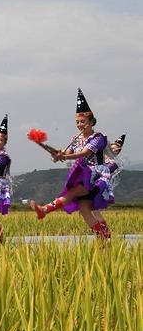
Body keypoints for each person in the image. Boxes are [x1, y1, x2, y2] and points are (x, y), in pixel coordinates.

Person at [30, 89, 114, 239]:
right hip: (83, 175)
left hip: (95, 176)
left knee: (73, 193)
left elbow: (85, 153)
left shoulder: (98, 137)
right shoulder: (76, 138)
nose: (80, 125)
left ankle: (45, 209)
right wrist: (59, 155)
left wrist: (66, 156)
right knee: (84, 209)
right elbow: (68, 152)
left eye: (83, 122)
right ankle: (104, 237)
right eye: (77, 122)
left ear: (92, 122)